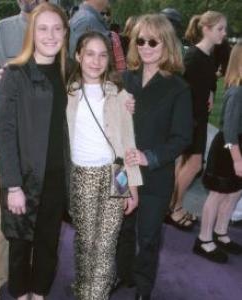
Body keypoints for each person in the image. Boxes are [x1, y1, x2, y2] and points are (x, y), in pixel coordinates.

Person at [0, 1, 46, 299]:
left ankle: (30, 278)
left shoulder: (59, 31)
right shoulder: (0, 31)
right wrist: (1, 87)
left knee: (39, 211)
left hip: (45, 137)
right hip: (6, 133)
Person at [0, 2, 68, 299]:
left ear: (65, 33)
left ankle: (39, 294)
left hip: (57, 177)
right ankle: (20, 294)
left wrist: (122, 97)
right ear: (32, 34)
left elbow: (102, 87)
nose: (50, 35)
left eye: (56, 28)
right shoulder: (15, 74)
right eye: (43, 28)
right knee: (20, 246)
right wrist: (13, 185)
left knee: (48, 244)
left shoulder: (70, 74)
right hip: (23, 179)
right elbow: (6, 134)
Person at [67, 31, 142, 300]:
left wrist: (132, 185)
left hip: (116, 173)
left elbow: (128, 143)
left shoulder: (121, 95)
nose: (96, 61)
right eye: (89, 54)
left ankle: (94, 295)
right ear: (78, 56)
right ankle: (84, 286)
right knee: (86, 241)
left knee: (107, 243)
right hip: (80, 174)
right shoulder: (66, 93)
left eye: (102, 55)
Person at [122, 14, 193, 299]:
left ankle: (142, 287)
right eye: (141, 40)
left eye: (154, 41)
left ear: (167, 45)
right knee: (123, 231)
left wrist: (149, 157)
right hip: (123, 173)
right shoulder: (123, 79)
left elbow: (182, 138)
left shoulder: (178, 88)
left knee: (148, 236)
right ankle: (123, 274)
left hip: (156, 174)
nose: (146, 46)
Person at [168, 11, 227, 230]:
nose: (224, 33)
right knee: (192, 165)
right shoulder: (193, 57)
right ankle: (175, 208)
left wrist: (210, 92)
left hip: (198, 118)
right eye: (220, 28)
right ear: (206, 29)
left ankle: (173, 206)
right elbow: (179, 90)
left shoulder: (207, 56)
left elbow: (207, 82)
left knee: (185, 165)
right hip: (190, 120)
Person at [194, 41, 242, 263]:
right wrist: (237, 159)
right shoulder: (237, 91)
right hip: (229, 149)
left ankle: (221, 232)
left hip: (238, 148)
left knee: (234, 193)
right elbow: (231, 131)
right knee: (218, 194)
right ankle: (204, 238)